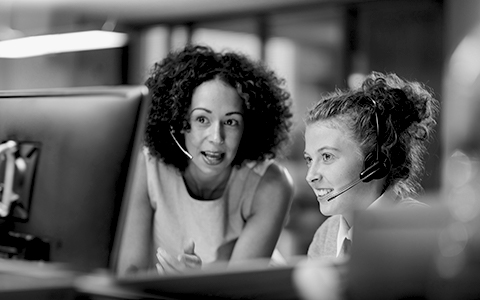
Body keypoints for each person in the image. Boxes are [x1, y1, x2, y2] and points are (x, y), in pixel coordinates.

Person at [115, 44, 294, 275]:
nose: (217, 138)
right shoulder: (148, 168)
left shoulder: (270, 184)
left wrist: (194, 282)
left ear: (247, 128)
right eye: (202, 119)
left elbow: (239, 291)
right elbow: (130, 274)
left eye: (231, 122)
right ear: (178, 122)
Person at [302, 71, 439, 259]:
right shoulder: (326, 235)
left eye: (327, 156)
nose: (311, 176)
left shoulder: (419, 228)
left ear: (374, 162)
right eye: (309, 159)